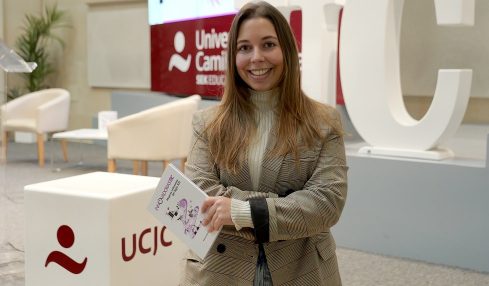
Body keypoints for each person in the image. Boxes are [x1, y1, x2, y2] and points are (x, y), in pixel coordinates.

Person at [181, 1, 348, 285]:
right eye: (244, 48)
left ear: (287, 50)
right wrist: (287, 205)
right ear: (233, 57)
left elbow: (326, 203)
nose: (256, 57)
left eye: (268, 44)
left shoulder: (324, 122)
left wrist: (240, 212)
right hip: (221, 267)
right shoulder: (207, 124)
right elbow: (204, 199)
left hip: (301, 265)